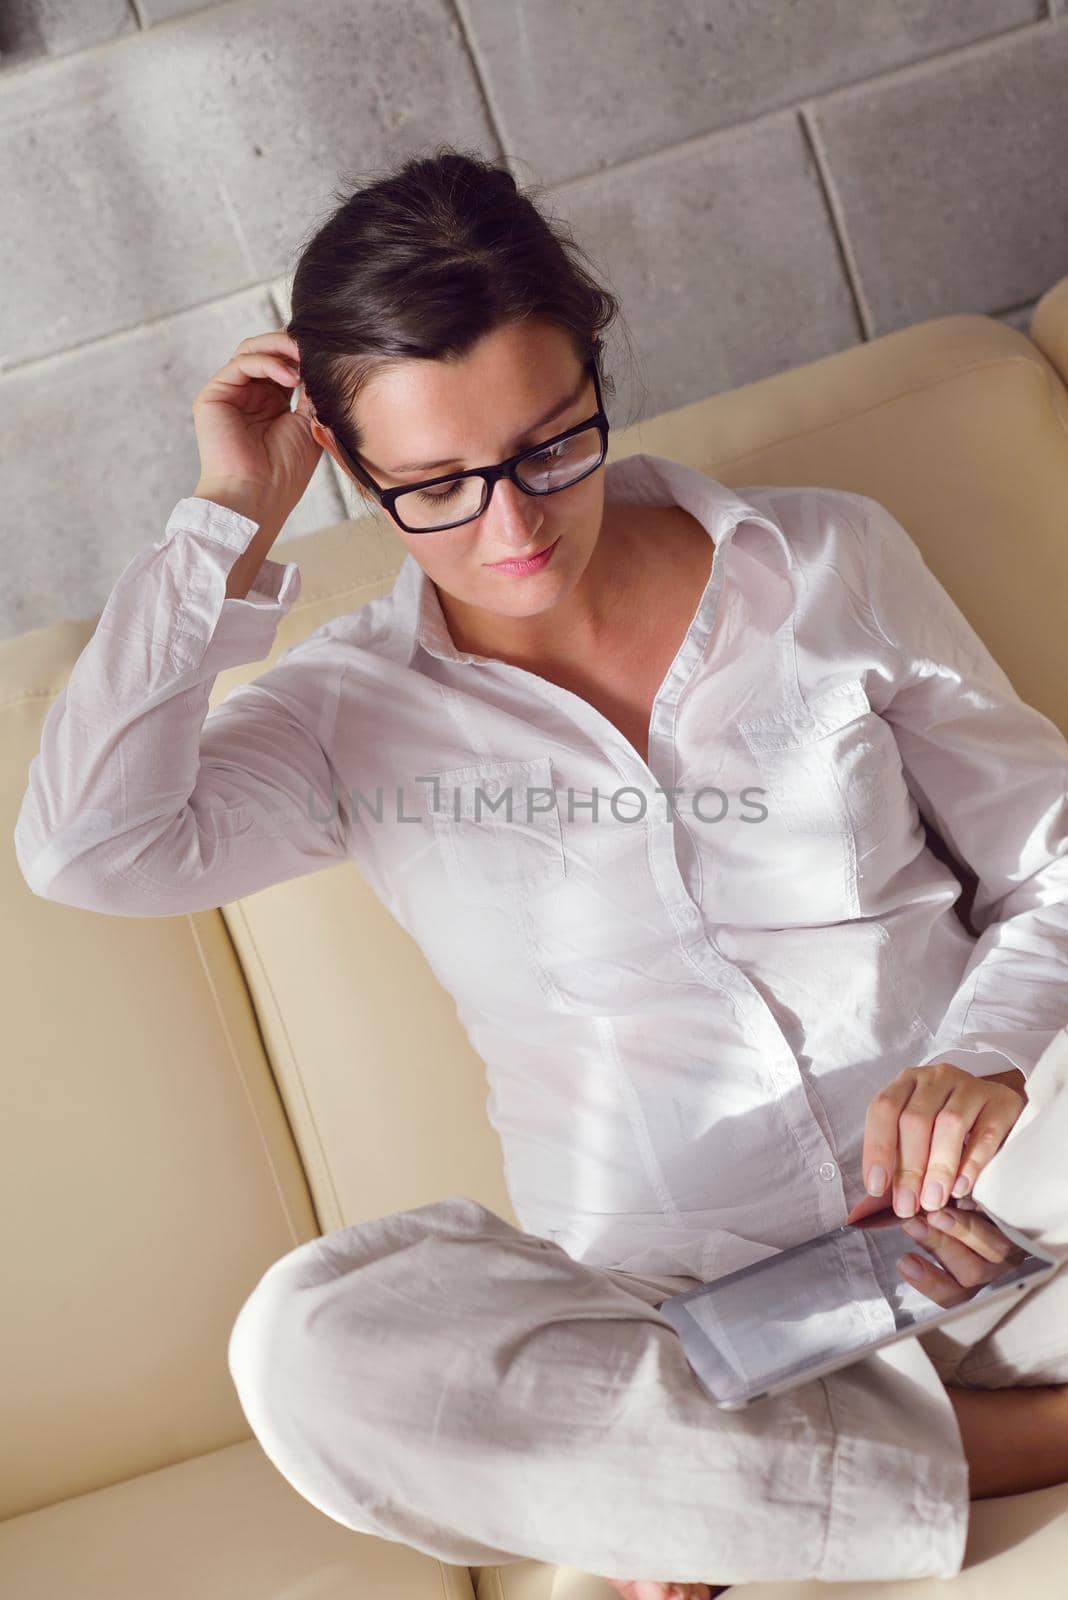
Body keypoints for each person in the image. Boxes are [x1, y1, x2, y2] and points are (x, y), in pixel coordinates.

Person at [14, 146, 1068, 1598]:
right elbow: (85, 848)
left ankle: (736, 1493)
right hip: (679, 1334)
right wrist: (227, 515)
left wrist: (993, 1062)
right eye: (435, 487)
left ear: (593, 369)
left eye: (549, 446)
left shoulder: (827, 561)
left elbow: (1053, 864)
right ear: (344, 457)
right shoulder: (346, 716)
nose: (511, 530)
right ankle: (955, 1451)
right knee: (307, 1346)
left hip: (1009, 1215)